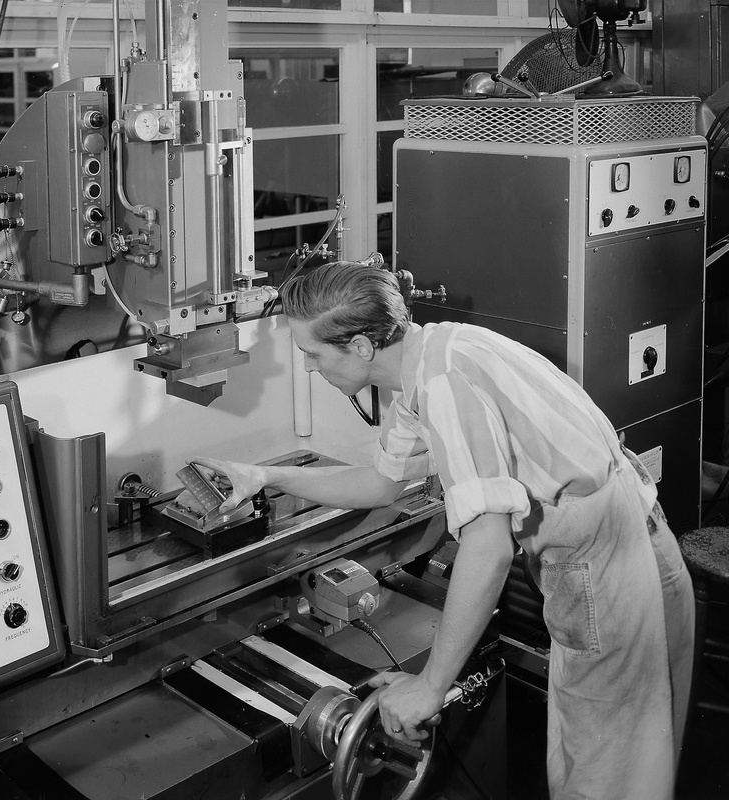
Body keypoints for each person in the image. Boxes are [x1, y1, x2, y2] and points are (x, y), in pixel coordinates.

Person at [194, 261, 694, 800]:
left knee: (604, 775)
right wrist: (262, 475)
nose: (310, 368)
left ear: (360, 346)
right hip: (643, 536)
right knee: (646, 755)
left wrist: (431, 686)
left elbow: (488, 547)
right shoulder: (436, 352)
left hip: (602, 571)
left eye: (313, 354)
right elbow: (381, 484)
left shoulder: (443, 384)